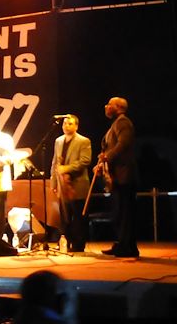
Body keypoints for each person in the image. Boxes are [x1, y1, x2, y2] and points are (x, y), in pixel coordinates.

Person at [97, 97, 139, 258]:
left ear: (119, 107)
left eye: (110, 104)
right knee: (120, 212)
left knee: (125, 211)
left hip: (125, 174)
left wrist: (107, 157)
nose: (106, 106)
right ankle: (122, 243)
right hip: (118, 175)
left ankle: (127, 246)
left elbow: (123, 144)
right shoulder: (116, 124)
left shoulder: (123, 122)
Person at [50, 114, 92, 252]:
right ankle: (65, 242)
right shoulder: (58, 141)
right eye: (64, 123)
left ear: (76, 126)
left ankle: (79, 244)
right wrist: (54, 183)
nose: (66, 126)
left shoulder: (83, 141)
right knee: (64, 216)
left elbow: (85, 161)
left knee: (78, 215)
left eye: (70, 123)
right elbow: (55, 162)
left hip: (77, 183)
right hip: (62, 185)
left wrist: (66, 169)